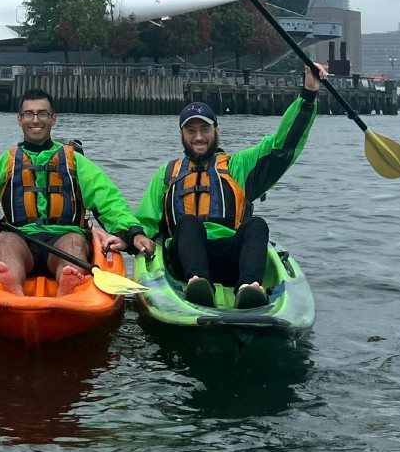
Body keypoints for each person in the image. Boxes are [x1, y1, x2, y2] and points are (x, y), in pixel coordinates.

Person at [0, 89, 154, 296]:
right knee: (4, 240)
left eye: (42, 114)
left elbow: (108, 200)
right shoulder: (7, 162)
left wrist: (132, 232)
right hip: (20, 240)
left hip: (63, 240)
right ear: (20, 119)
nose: (35, 120)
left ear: (53, 118)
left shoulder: (74, 161)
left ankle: (69, 284)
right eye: (28, 114)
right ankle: (11, 286)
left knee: (75, 241)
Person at [137, 64, 325, 309]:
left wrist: (308, 95)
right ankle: (198, 284)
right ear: (181, 134)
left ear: (216, 130)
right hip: (184, 261)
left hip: (229, 257)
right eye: (191, 130)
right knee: (190, 223)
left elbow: (281, 146)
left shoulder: (238, 166)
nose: (199, 137)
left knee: (257, 225)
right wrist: (133, 236)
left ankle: (249, 287)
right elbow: (144, 222)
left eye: (205, 129)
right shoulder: (167, 174)